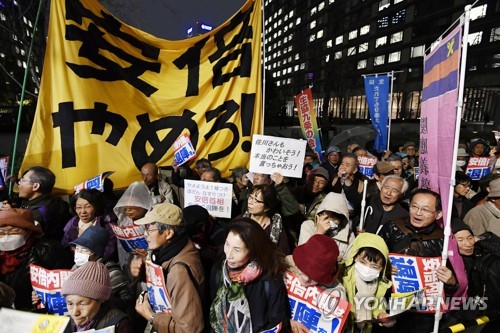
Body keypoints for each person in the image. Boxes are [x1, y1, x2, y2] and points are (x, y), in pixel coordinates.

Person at [378, 189, 459, 333]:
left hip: (422, 316)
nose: (418, 213)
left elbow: (452, 285)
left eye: (426, 210)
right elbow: (369, 260)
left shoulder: (443, 241)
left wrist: (451, 281)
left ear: (438, 214)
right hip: (387, 305)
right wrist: (382, 268)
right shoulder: (392, 227)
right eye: (414, 206)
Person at [134, 203, 205, 333]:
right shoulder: (170, 252)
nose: (145, 234)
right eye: (145, 229)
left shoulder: (179, 271)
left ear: (168, 233)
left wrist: (151, 316)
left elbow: (188, 329)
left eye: (150, 229)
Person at [209, 217, 289, 332]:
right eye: (227, 244)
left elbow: (276, 322)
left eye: (237, 250)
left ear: (252, 251)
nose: (229, 254)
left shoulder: (269, 279)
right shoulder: (218, 270)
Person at [0, 208, 73, 310]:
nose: (7, 237)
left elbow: (63, 285)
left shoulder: (47, 250)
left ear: (29, 231)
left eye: (14, 232)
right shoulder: (2, 255)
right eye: (2, 233)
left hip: (36, 312)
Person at [444, 219, 500, 333]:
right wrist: (452, 284)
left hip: (483, 310)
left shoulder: (479, 251)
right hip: (456, 314)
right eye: (460, 239)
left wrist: (483, 240)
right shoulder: (445, 262)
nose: (468, 244)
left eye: (470, 237)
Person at [287, 234, 347, 333]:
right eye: (302, 271)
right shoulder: (286, 266)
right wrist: (286, 322)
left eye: (313, 277)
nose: (306, 279)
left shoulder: (336, 295)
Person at [340, 233, 394, 333]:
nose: (367, 269)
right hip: (343, 326)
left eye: (374, 266)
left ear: (382, 268)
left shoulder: (380, 283)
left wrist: (381, 314)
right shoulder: (343, 274)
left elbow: (376, 304)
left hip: (362, 327)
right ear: (355, 256)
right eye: (363, 262)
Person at [1, 166, 70, 241]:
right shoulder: (51, 200)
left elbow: (21, 237)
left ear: (35, 186)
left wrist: (12, 215)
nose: (19, 184)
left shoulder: (40, 212)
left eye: (22, 180)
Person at [61, 261, 133, 332]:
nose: (74, 313)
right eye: (70, 304)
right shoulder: (65, 322)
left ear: (101, 300)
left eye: (82, 304)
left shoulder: (119, 324)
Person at [61, 189, 118, 261]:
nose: (83, 211)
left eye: (87, 206)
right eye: (79, 207)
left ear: (96, 207)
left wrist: (93, 256)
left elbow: (110, 250)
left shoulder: (107, 226)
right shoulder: (71, 225)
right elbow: (64, 246)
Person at [298, 192, 354, 263]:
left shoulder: (349, 235)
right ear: (320, 214)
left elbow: (348, 262)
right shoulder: (308, 226)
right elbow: (304, 257)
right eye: (326, 217)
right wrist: (319, 233)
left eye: (334, 218)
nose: (329, 222)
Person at [243, 184, 290, 254]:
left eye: (256, 200)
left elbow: (282, 252)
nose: (250, 202)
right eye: (250, 197)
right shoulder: (241, 220)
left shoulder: (276, 226)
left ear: (266, 207)